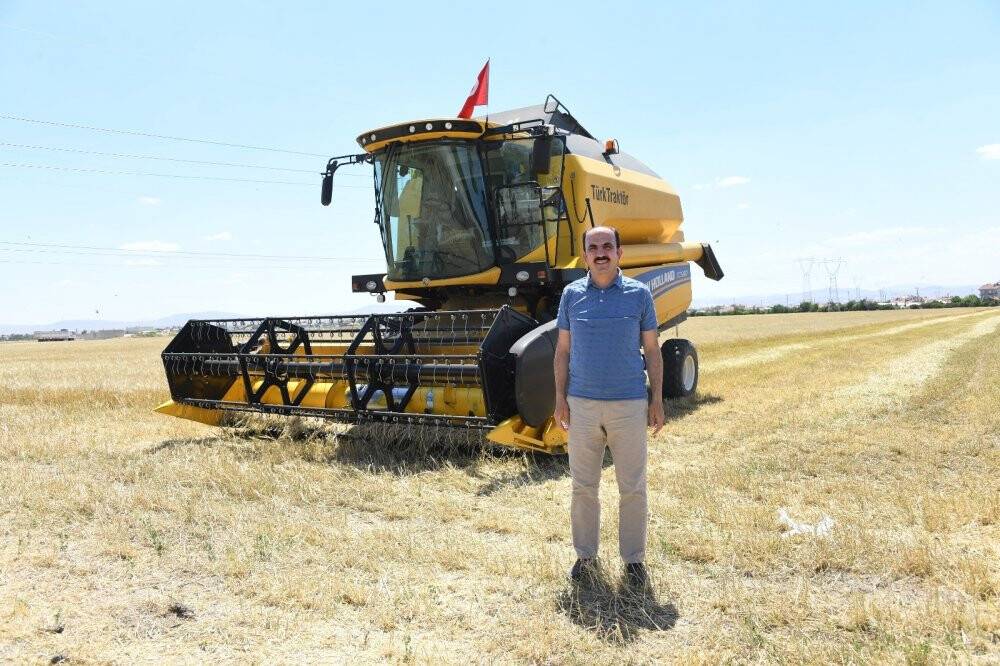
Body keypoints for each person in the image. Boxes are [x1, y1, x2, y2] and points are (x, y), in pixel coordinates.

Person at [553, 225, 665, 587]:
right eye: (593, 247)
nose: (600, 252)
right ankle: (585, 558)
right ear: (584, 256)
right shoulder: (571, 295)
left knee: (632, 486)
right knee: (583, 486)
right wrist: (560, 399)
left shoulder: (639, 295)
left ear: (619, 253)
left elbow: (652, 349)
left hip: (629, 404)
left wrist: (656, 399)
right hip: (581, 405)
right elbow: (563, 351)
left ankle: (633, 561)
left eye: (607, 246)